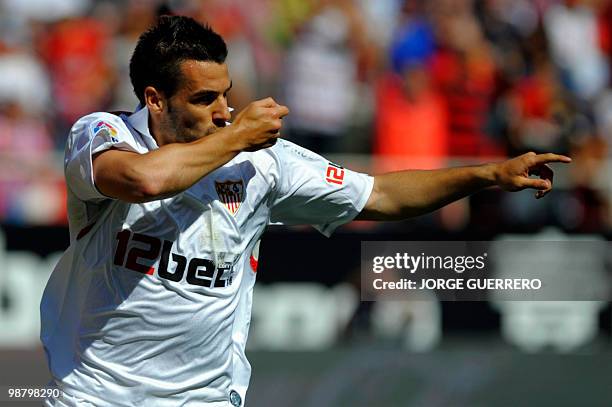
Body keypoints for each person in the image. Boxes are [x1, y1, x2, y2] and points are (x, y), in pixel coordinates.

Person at [40, 15, 571, 407]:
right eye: (205, 100)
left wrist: (486, 175)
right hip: (96, 395)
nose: (225, 112)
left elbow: (382, 195)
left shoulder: (263, 165)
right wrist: (241, 137)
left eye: (226, 95)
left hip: (202, 399)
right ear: (155, 100)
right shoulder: (103, 135)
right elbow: (143, 180)